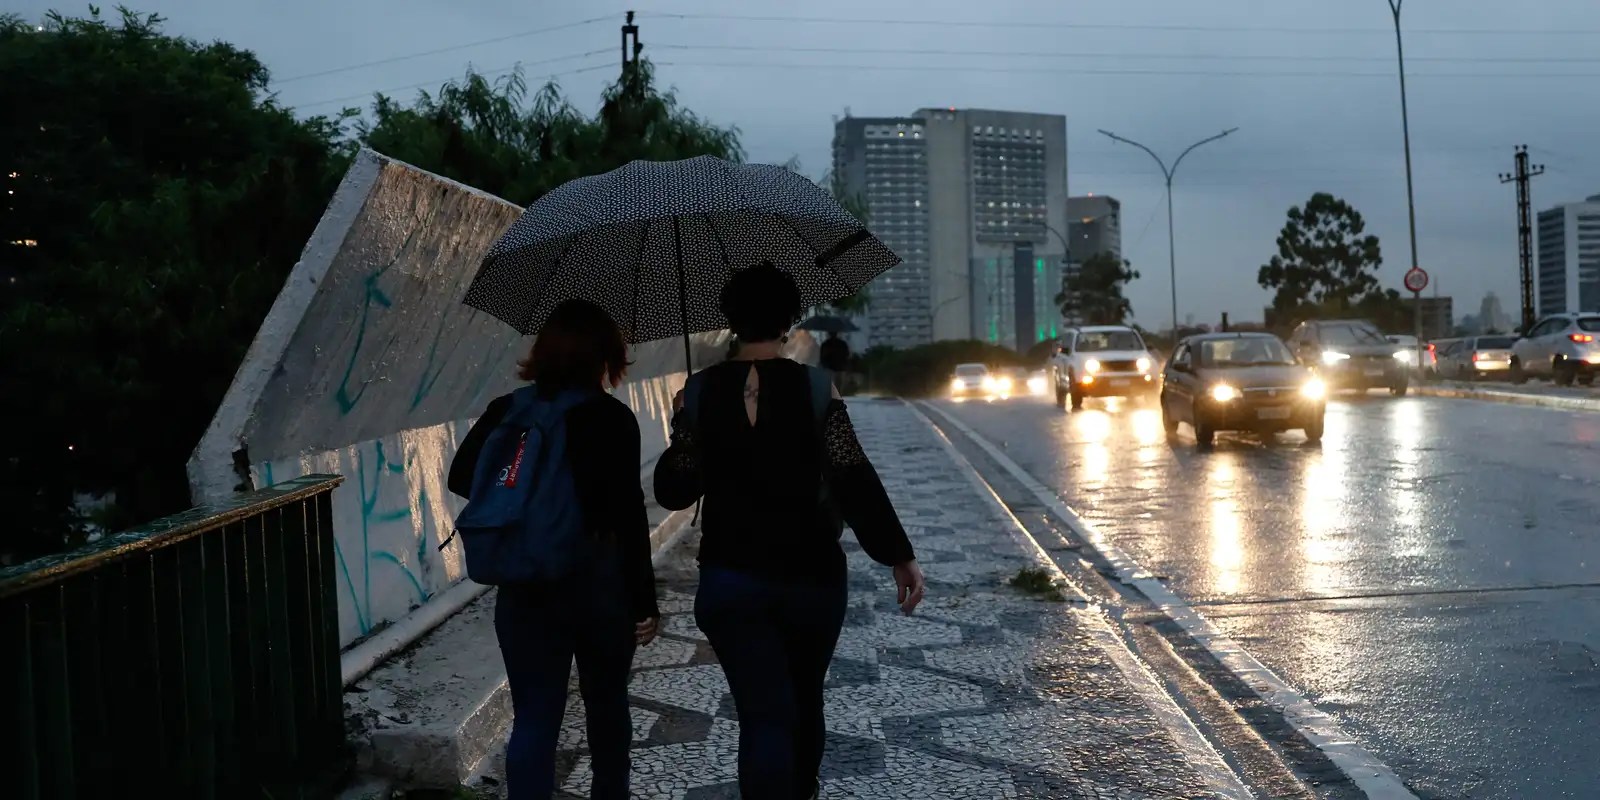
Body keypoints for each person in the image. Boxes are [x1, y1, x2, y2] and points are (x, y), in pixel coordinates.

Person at [654, 262, 926, 799]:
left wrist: (683, 427)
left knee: (762, 715)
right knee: (803, 699)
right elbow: (852, 477)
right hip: (812, 580)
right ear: (788, 320)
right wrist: (898, 554)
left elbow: (674, 492)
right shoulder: (818, 388)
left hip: (731, 580)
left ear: (731, 320)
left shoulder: (702, 391)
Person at [448, 299, 659, 800]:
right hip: (598, 590)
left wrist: (521, 497)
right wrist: (644, 602)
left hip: (524, 586)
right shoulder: (611, 418)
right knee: (606, 706)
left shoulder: (510, 409)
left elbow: (462, 477)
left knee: (535, 717)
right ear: (605, 356)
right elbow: (629, 518)